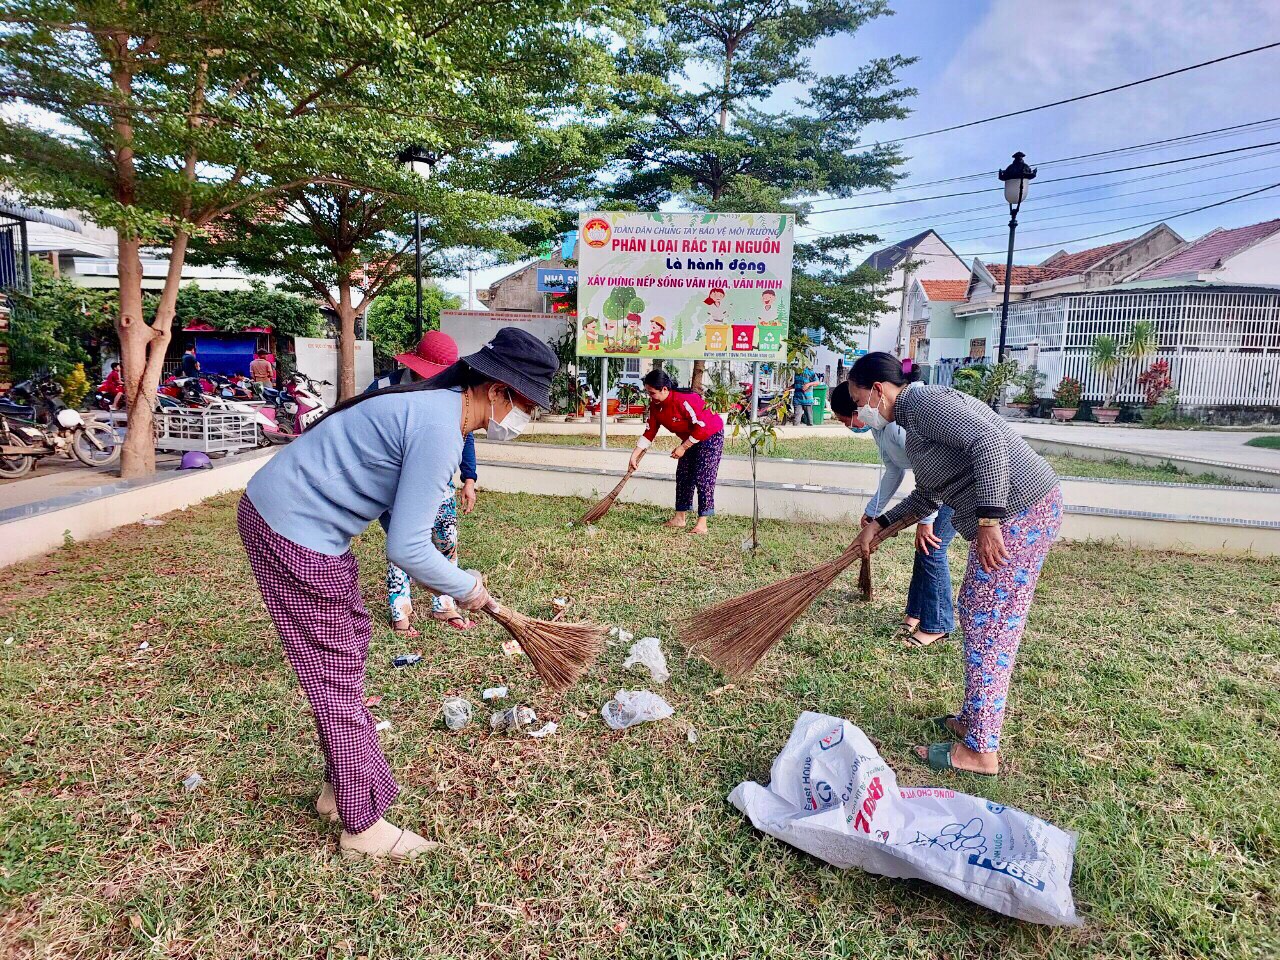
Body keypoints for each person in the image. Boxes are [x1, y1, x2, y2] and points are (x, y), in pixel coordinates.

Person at [238, 326, 556, 859]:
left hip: (283, 515)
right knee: (336, 675)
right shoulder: (441, 429)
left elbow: (397, 514)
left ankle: (337, 790)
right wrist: (467, 588)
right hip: (293, 528)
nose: (525, 418)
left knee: (344, 655)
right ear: (498, 390)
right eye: (527, 405)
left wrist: (444, 577)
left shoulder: (435, 409)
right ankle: (362, 828)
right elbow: (407, 547)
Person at [850, 351, 1062, 778]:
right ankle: (974, 720)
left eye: (858, 402)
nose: (860, 413)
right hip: (1019, 512)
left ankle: (981, 751)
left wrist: (989, 520)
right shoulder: (913, 422)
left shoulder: (922, 404)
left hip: (1019, 514)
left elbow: (990, 443)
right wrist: (881, 525)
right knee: (976, 611)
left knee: (990, 625)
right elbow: (929, 494)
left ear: (877, 390)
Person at [830, 375, 957, 648]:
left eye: (845, 419)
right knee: (924, 550)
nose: (847, 426)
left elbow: (929, 470)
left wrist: (926, 520)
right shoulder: (879, 429)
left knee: (932, 549)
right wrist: (873, 511)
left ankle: (938, 625)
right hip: (933, 489)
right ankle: (916, 613)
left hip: (952, 487)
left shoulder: (899, 426)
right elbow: (894, 470)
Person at [377, 331, 478, 635]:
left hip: (440, 484)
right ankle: (400, 611)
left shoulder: (454, 391)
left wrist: (469, 479)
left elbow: (466, 435)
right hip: (396, 486)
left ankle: (444, 605)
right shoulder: (384, 389)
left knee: (446, 543)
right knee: (402, 546)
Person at [627, 369, 725, 535]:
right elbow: (650, 430)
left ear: (664, 389)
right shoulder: (656, 406)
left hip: (710, 435)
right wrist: (635, 454)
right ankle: (680, 518)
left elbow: (702, 426)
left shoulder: (685, 400)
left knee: (703, 477)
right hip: (691, 437)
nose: (650, 396)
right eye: (648, 392)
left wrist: (683, 447)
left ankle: (702, 523)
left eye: (652, 392)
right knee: (683, 475)